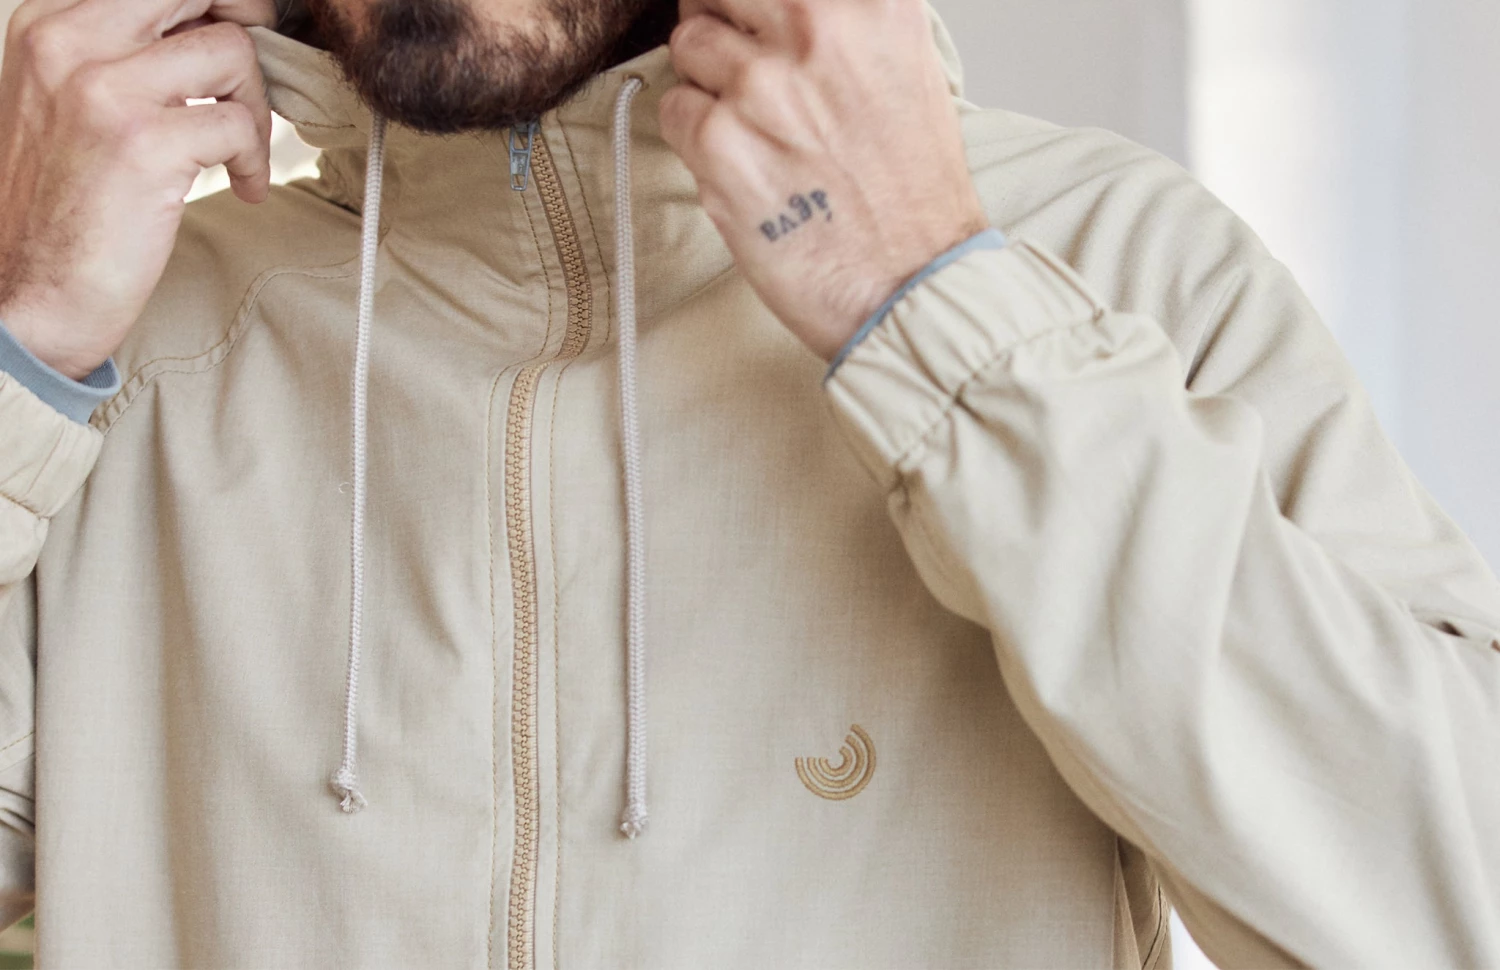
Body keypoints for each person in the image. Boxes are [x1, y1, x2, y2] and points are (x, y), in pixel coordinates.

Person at [0, 0, 1496, 965]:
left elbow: (1452, 912)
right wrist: (26, 346)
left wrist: (937, 310)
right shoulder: (118, 320)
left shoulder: (1112, 264)